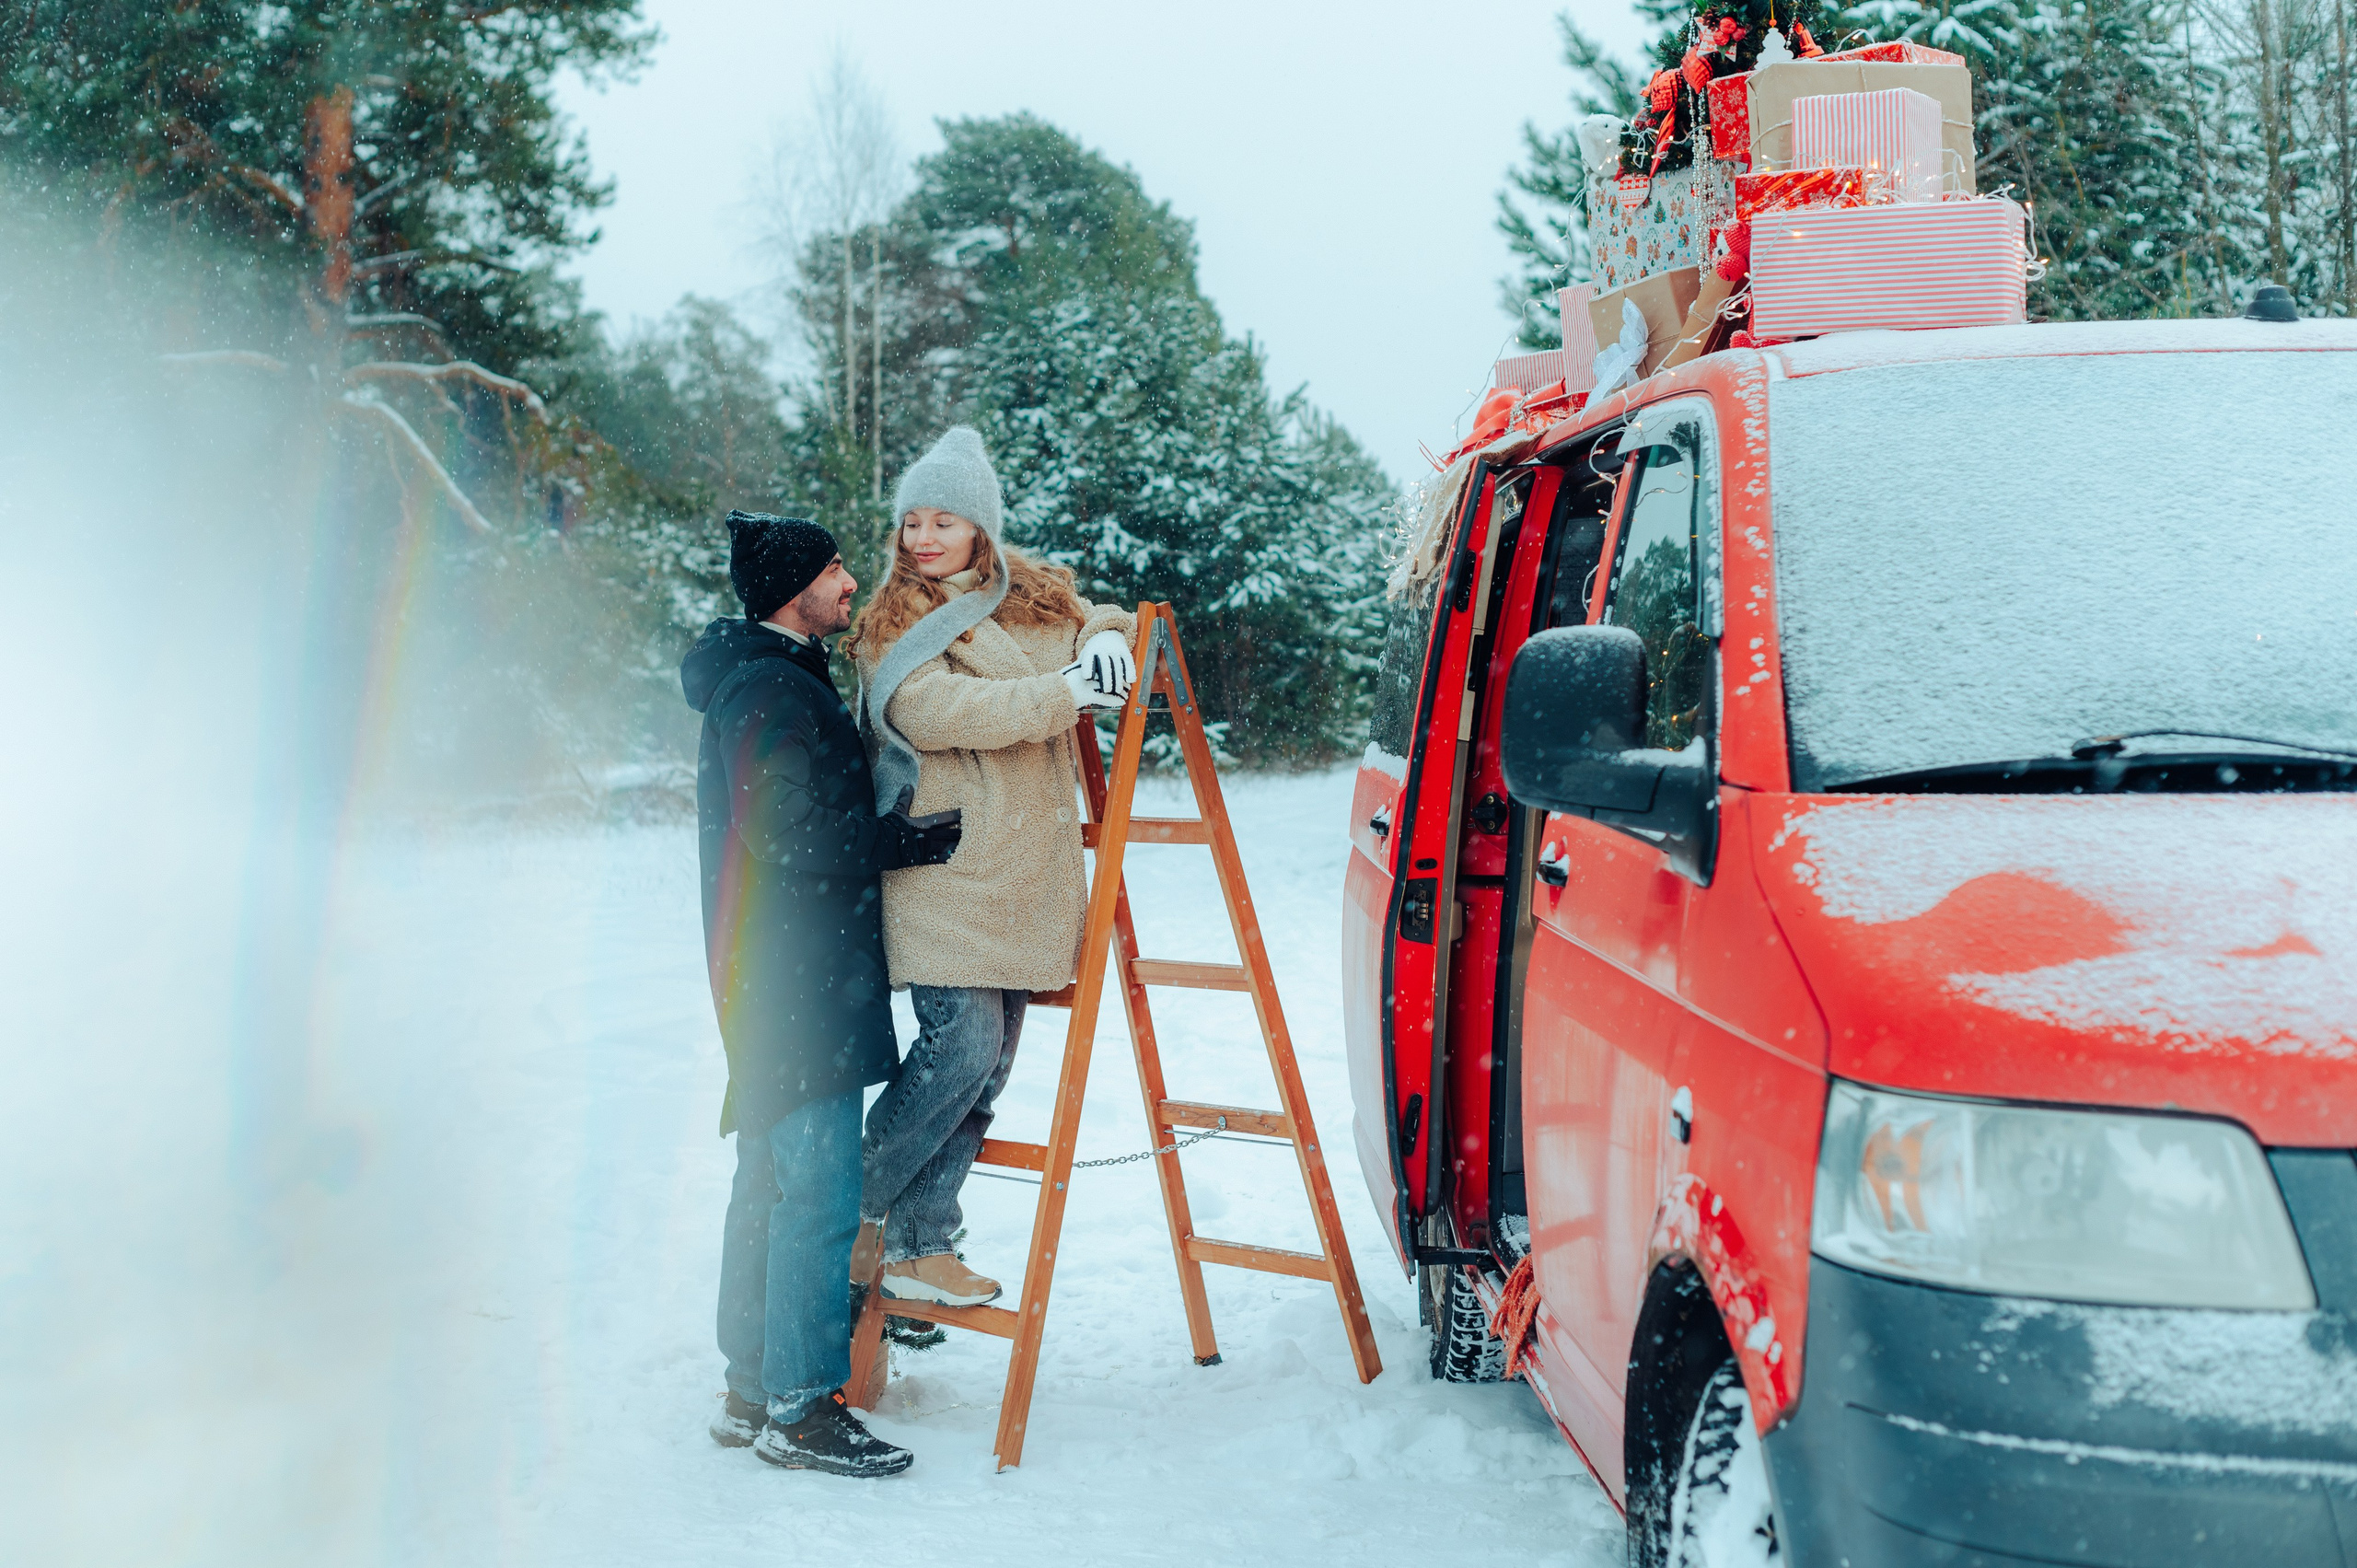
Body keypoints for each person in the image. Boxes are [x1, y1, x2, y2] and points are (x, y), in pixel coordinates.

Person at [679, 511, 963, 1479]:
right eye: (834, 568)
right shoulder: (770, 689)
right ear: (789, 588)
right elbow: (786, 833)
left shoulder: (768, 678)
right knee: (816, 1200)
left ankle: (751, 1388)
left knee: (766, 1184)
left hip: (772, 973)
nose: (850, 581)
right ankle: (800, 1406)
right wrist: (900, 839)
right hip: (793, 979)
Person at [846, 426, 1137, 1309]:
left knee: (989, 1067)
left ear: (983, 526)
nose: (923, 537)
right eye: (912, 522)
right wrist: (1067, 694)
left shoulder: (1033, 598)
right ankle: (847, 1213)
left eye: (945, 519)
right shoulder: (892, 623)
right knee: (957, 1048)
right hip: (945, 869)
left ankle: (924, 1241)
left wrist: (1111, 635)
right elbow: (937, 710)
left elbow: (1098, 616)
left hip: (1025, 872)